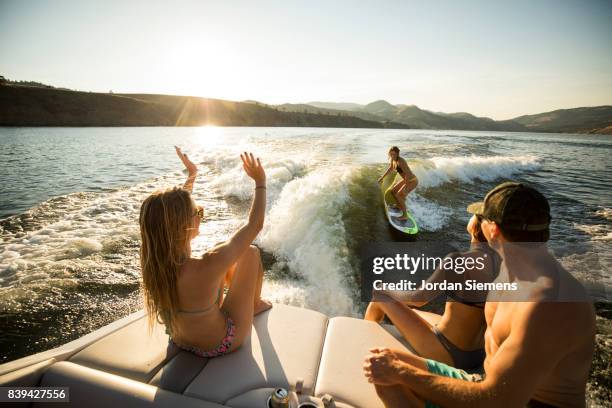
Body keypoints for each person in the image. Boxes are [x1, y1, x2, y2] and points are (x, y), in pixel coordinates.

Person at [363, 182, 596, 408]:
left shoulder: (548, 303)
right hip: (485, 381)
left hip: (520, 402)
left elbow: (498, 401)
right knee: (386, 361)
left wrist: (402, 374)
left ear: (493, 229)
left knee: (389, 377)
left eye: (481, 217)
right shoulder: (510, 268)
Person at [139, 146, 272, 358]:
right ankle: (254, 305)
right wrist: (260, 182)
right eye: (198, 212)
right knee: (250, 252)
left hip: (179, 339)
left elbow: (172, 214)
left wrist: (192, 174)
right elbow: (255, 224)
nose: (201, 214)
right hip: (222, 343)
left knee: (224, 258)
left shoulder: (153, 263)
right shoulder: (208, 264)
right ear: (184, 227)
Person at [364, 214, 499, 370]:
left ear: (477, 226)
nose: (471, 216)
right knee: (413, 312)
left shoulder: (459, 260)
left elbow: (419, 298)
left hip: (447, 353)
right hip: (478, 354)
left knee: (380, 296)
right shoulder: (502, 264)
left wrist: (386, 288)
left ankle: (363, 344)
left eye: (475, 215)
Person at [378, 146, 418, 221]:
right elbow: (390, 168)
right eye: (391, 154)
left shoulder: (401, 161)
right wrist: (382, 177)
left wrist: (405, 186)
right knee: (393, 191)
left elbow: (407, 174)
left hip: (412, 180)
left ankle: (405, 215)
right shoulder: (393, 160)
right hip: (406, 179)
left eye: (394, 154)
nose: (393, 156)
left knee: (399, 195)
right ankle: (399, 206)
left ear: (398, 154)